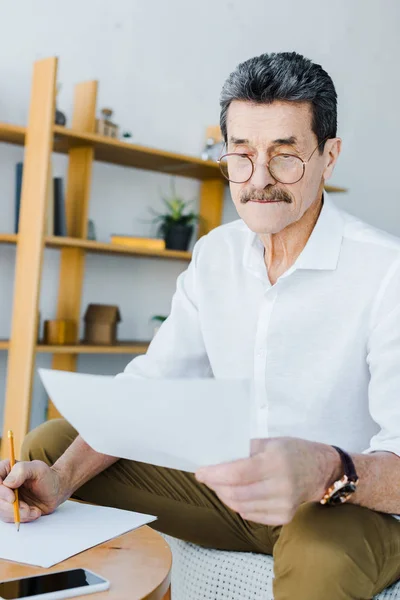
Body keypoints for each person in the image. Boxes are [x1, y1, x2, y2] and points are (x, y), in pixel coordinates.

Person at [1, 51, 400, 599]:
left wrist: (325, 469)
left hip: (346, 505)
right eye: (242, 154)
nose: (258, 180)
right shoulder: (216, 254)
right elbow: (154, 385)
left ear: (329, 157)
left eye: (285, 156)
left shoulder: (385, 271)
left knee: (316, 544)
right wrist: (63, 479)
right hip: (234, 492)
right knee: (50, 448)